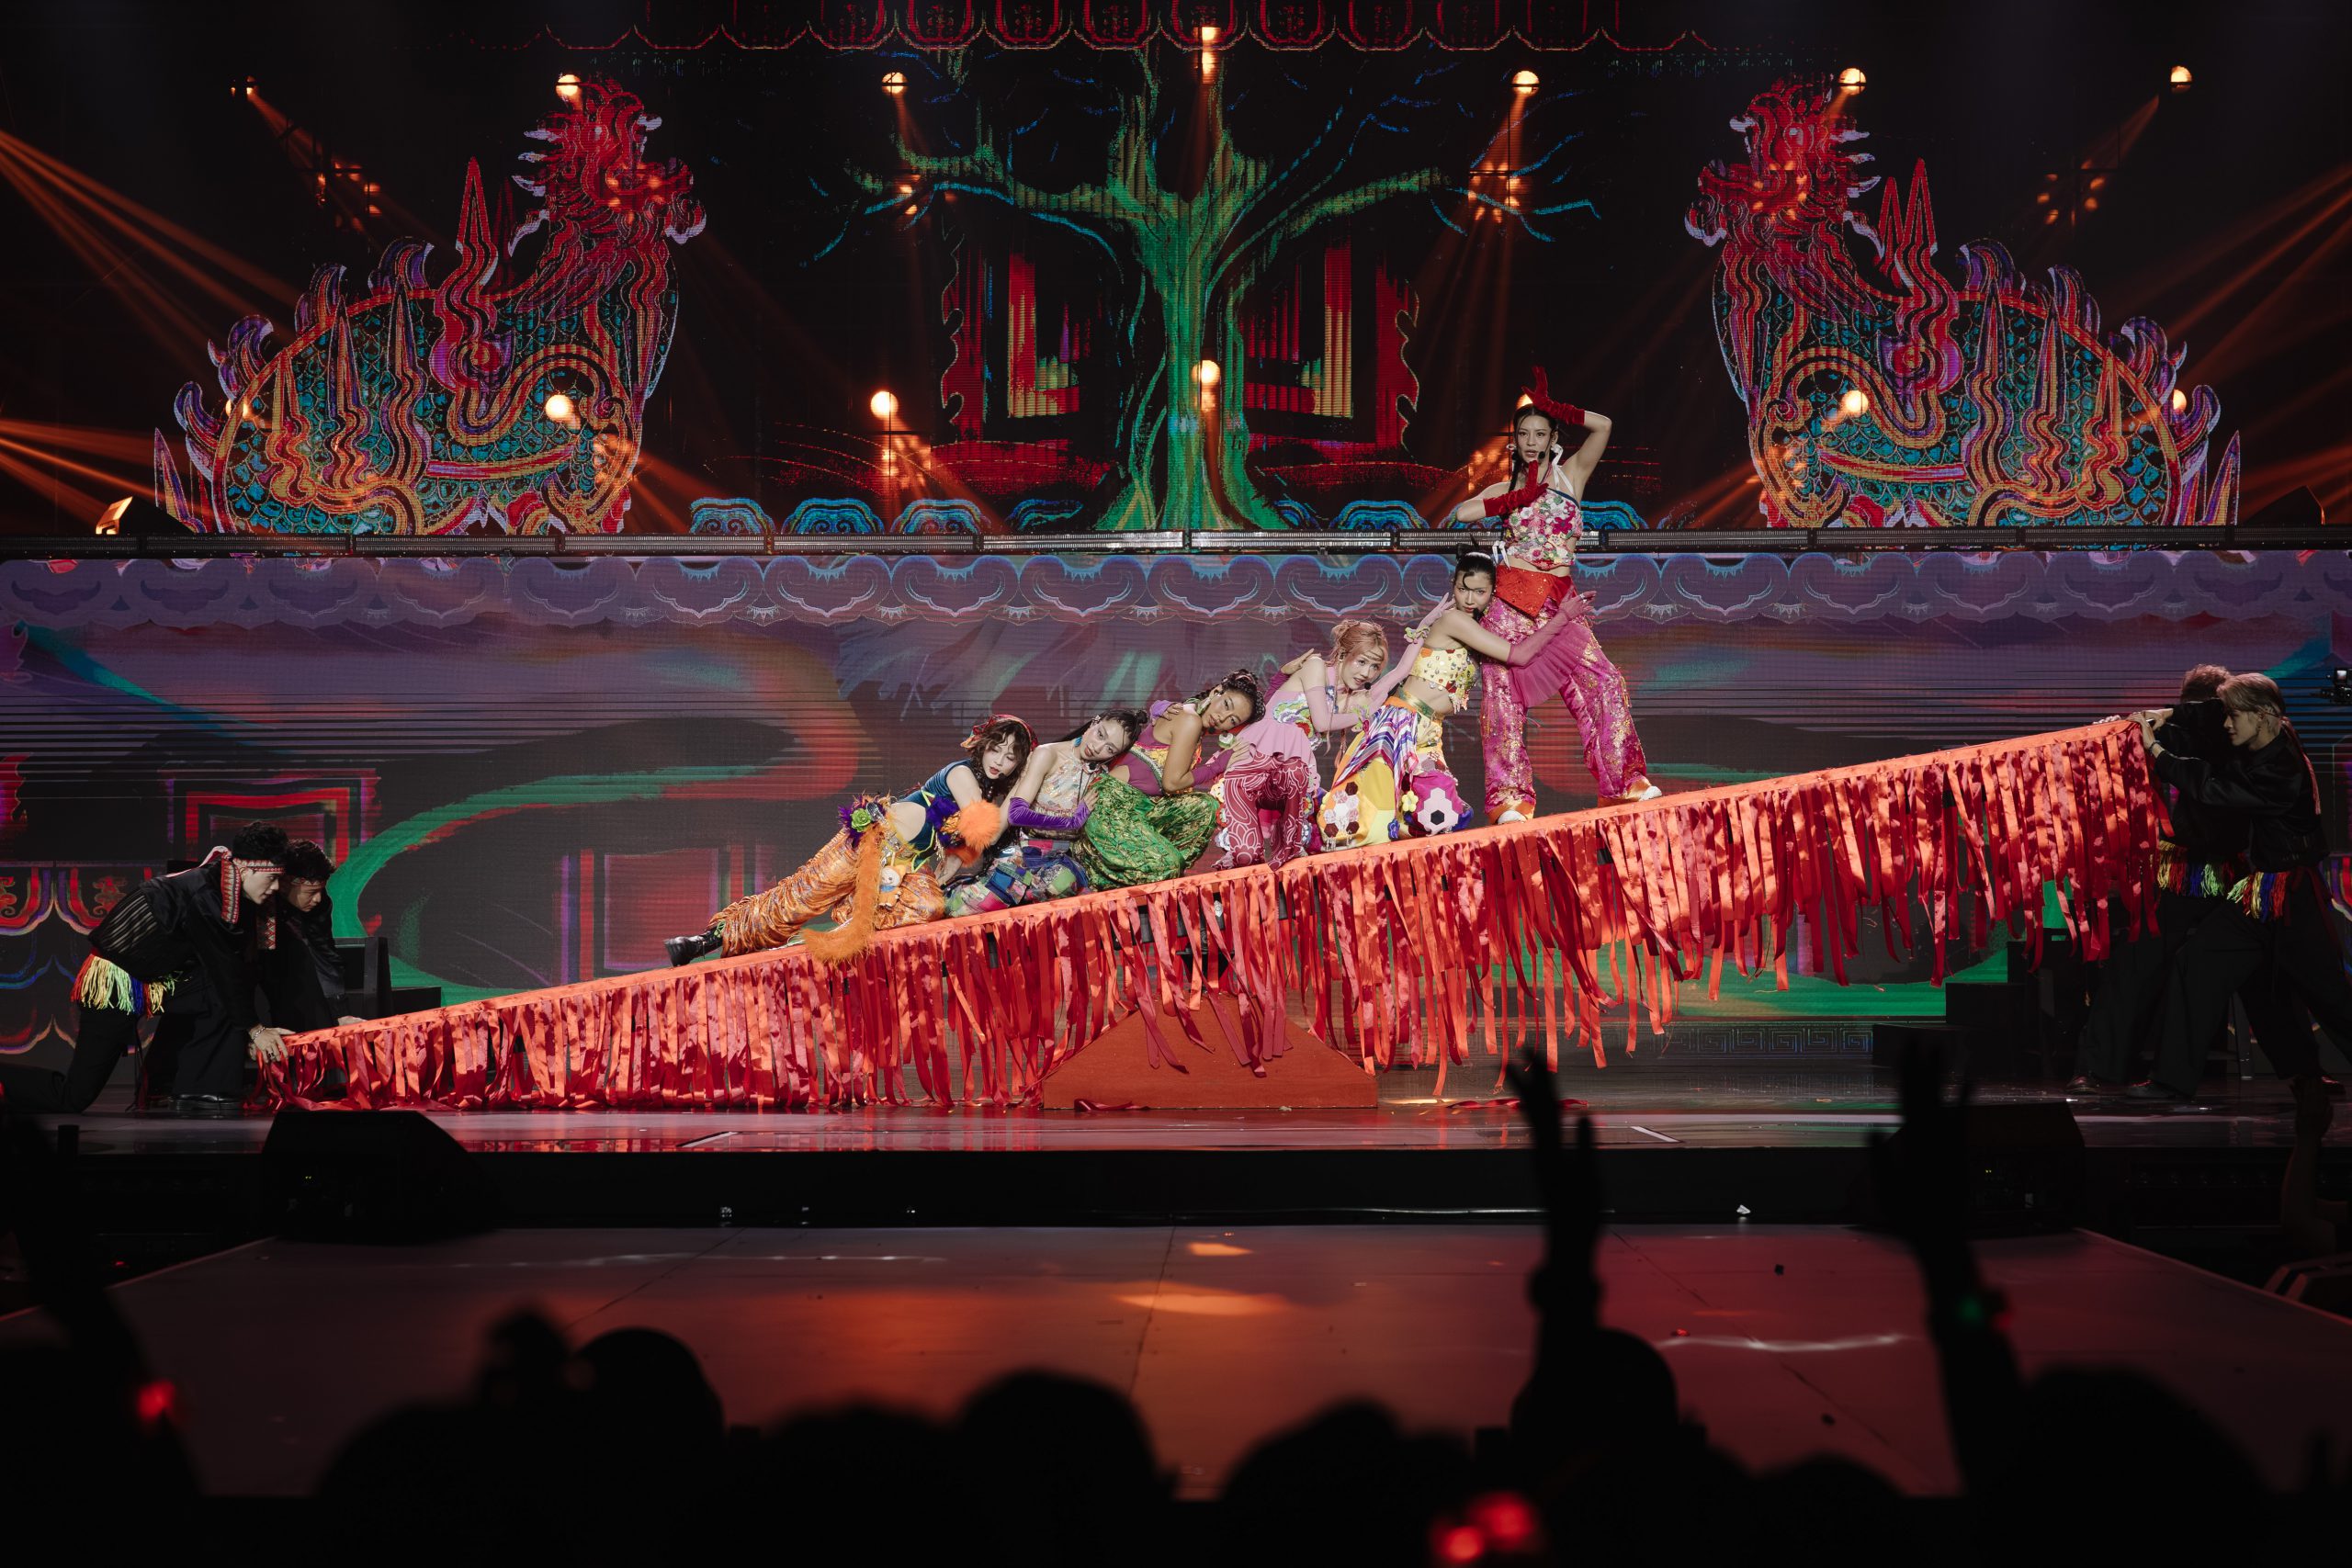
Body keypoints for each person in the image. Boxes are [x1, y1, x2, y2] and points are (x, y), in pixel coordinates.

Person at [1450, 372, 1658, 818]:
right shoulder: (1504, 488)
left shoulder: (1571, 477)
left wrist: (1557, 407)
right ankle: (1509, 799)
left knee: (1604, 681)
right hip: (1509, 600)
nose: (1531, 442)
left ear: (1553, 439)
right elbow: (1462, 513)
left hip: (1559, 602)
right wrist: (1513, 498)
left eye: (1540, 433)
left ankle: (1623, 781)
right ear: (1515, 442)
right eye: (1524, 434)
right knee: (1502, 696)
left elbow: (1603, 425)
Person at [662, 716, 1031, 966]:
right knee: (800, 899)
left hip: (904, 868)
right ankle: (704, 941)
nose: (999, 761)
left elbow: (959, 850)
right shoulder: (963, 775)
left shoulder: (984, 793)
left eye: (1010, 757)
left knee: (928, 906)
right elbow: (983, 830)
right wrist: (1022, 799)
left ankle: (824, 944)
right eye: (996, 749)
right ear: (982, 746)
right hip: (872, 842)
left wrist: (947, 872)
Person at [2135, 674, 2349, 1099]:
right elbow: (2211, 713)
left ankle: (2306, 1074)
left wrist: (2156, 751)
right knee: (2197, 961)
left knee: (2330, 997)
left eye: (2234, 716)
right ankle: (2170, 1083)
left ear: (2263, 715)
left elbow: (2212, 788)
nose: (2226, 724)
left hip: (2294, 896)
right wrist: (2167, 714)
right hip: (2259, 894)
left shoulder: (2283, 772)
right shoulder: (2270, 728)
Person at [0, 824, 292, 1117]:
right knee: (73, 1097)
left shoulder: (221, 884)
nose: (276, 888)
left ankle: (191, 1087)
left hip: (152, 979)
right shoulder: (206, 895)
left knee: (220, 990)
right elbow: (223, 966)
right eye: (271, 878)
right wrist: (256, 1031)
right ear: (245, 869)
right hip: (114, 985)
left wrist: (251, 1030)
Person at [1317, 555, 1566, 850]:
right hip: (1402, 724)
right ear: (1453, 585)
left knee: (1440, 809)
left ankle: (1401, 839)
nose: (1469, 599)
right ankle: (1315, 833)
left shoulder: (1478, 626)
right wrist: (1563, 618)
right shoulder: (1454, 620)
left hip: (1428, 731)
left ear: (1493, 592)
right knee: (1362, 815)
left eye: (1479, 592)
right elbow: (1519, 655)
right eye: (1463, 589)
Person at [2070, 665, 2244, 1090]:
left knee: (2261, 966)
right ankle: (2099, 1068)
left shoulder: (2241, 739)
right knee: (2137, 961)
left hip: (2240, 875)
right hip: (2189, 872)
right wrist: (2119, 734)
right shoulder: (2181, 736)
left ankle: (2303, 1070)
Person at [1212, 620, 1391, 871]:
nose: (1367, 673)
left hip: (1288, 771)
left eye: (1374, 667)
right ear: (1343, 653)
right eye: (1362, 662)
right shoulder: (1316, 669)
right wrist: (1364, 714)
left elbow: (1395, 676)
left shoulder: (1339, 696)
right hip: (1256, 759)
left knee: (1305, 836)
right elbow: (1310, 720)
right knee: (1244, 851)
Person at [1074, 672, 1261, 890]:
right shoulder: (1190, 720)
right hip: (1112, 804)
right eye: (1226, 705)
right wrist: (1218, 765)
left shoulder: (1190, 715)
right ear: (1216, 692)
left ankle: (1155, 868)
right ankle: (1090, 864)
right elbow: (1172, 783)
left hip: (1143, 808)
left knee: (1205, 807)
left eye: (1232, 720)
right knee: (1169, 867)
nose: (1222, 717)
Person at [945, 710, 1144, 915]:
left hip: (1061, 858)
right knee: (967, 908)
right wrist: (1071, 822)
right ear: (1094, 722)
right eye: (1100, 734)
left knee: (1063, 886)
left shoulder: (1102, 777)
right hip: (1024, 851)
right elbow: (1016, 814)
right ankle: (958, 891)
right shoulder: (1048, 754)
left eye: (1110, 748)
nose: (1097, 747)